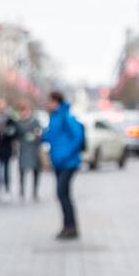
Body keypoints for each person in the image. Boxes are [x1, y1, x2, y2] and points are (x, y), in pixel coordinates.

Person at [42, 91, 84, 239]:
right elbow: (53, 136)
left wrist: (65, 154)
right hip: (59, 163)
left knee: (62, 193)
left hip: (68, 162)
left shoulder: (66, 116)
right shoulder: (54, 117)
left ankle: (71, 227)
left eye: (49, 101)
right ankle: (68, 226)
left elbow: (78, 137)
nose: (47, 104)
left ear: (56, 102)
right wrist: (41, 136)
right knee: (63, 194)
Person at [16, 101, 43, 200]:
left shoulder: (35, 122)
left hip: (34, 149)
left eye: (25, 111)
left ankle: (35, 191)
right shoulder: (18, 123)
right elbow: (15, 135)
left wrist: (37, 135)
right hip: (23, 149)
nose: (24, 113)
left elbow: (40, 132)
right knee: (22, 171)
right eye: (22, 111)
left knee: (36, 170)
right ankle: (22, 190)